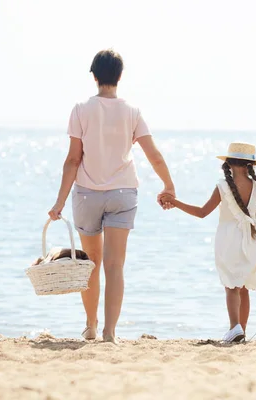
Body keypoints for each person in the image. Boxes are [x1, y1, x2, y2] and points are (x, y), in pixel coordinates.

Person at [48, 49, 175, 344]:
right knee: (115, 266)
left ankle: (90, 326)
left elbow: (72, 161)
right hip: (122, 193)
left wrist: (58, 203)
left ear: (94, 76)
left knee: (90, 261)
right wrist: (169, 184)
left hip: (87, 195)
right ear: (119, 76)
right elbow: (153, 154)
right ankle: (110, 333)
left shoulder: (80, 109)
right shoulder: (132, 111)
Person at [160, 143, 256, 342]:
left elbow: (202, 213)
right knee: (244, 287)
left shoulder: (223, 186)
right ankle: (241, 331)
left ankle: (233, 327)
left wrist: (175, 202)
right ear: (250, 165)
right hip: (254, 240)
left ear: (228, 164)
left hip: (230, 240)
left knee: (231, 286)